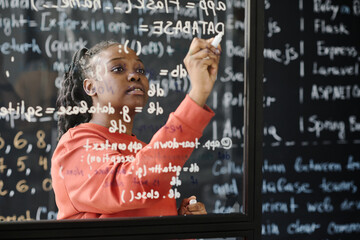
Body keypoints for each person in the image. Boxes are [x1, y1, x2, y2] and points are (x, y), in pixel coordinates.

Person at [51, 37, 221, 219]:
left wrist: (183, 227)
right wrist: (197, 95)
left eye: (140, 70)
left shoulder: (142, 152)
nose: (135, 76)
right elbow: (137, 184)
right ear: (91, 87)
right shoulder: (75, 145)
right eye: (117, 69)